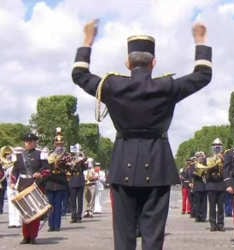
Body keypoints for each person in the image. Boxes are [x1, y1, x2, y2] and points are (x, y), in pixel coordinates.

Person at [72, 20, 212, 250]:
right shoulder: (167, 86)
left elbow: (79, 75)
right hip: (158, 165)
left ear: (128, 63)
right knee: (153, 236)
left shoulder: (113, 86)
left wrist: (87, 40)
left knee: (124, 236)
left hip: (123, 164)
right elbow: (203, 75)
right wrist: (200, 41)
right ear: (153, 63)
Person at [11, 133, 49, 244]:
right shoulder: (19, 156)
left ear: (35, 142)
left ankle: (33, 235)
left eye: (30, 141)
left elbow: (47, 169)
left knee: (35, 212)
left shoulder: (40, 154)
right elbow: (15, 170)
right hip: (23, 185)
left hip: (35, 184)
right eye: (26, 141)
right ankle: (25, 235)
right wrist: (13, 182)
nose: (28, 143)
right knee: (25, 212)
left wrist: (40, 174)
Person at [45, 127, 70, 232]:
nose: (59, 145)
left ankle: (57, 225)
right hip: (50, 182)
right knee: (50, 205)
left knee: (58, 205)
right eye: (57, 143)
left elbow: (69, 169)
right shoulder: (50, 153)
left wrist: (63, 165)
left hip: (60, 181)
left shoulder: (66, 155)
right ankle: (51, 225)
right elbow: (45, 166)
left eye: (60, 143)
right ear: (54, 144)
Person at [205, 138, 226, 231]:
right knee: (212, 206)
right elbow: (202, 171)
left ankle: (221, 224)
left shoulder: (225, 157)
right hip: (211, 184)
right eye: (215, 145)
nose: (217, 147)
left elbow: (228, 170)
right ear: (212, 147)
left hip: (221, 184)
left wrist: (223, 161)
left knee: (221, 206)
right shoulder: (208, 158)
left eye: (219, 145)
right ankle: (213, 224)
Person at [68, 151, 87, 223]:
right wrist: (72, 163)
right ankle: (73, 216)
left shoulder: (81, 161)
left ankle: (79, 216)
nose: (75, 156)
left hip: (80, 181)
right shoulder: (70, 161)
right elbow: (68, 170)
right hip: (72, 181)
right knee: (72, 200)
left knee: (80, 200)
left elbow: (85, 167)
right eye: (74, 155)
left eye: (76, 155)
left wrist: (82, 157)